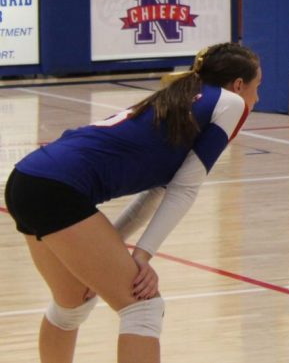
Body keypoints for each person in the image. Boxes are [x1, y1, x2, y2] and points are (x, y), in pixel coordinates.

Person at [4, 43, 260, 363]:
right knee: (144, 307)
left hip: (27, 178)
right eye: (257, 87)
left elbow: (157, 192)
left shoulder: (183, 98)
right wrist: (141, 257)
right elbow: (184, 190)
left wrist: (118, 253)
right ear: (239, 85)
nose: (257, 98)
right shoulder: (232, 103)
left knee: (71, 303)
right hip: (57, 189)